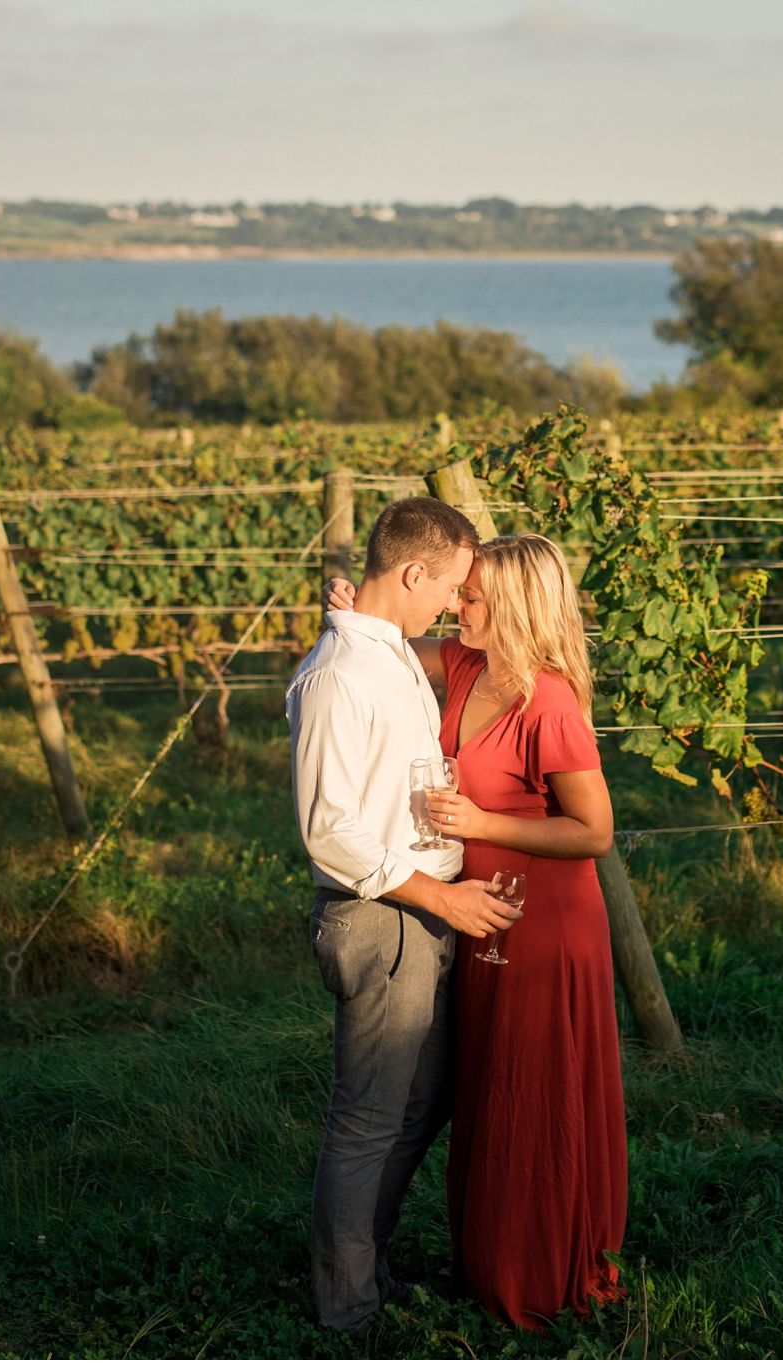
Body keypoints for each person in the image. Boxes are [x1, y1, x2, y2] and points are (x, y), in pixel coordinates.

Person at [331, 532, 628, 1330]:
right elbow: (387, 640)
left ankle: (540, 1273)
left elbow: (594, 830)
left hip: (545, 923)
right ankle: (491, 1261)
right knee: (491, 1089)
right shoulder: (463, 664)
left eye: (473, 596)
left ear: (516, 606)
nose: (457, 604)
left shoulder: (550, 700)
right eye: (459, 592)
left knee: (534, 1088)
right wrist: (350, 608)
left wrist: (486, 818)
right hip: (476, 911)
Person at [285, 494, 521, 1335]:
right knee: (369, 1115)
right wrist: (439, 894)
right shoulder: (337, 675)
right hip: (382, 915)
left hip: (419, 915)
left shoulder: (381, 650)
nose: (455, 605)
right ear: (414, 571)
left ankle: (365, 1263)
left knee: (423, 1100)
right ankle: (347, 1313)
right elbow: (329, 831)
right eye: (450, 587)